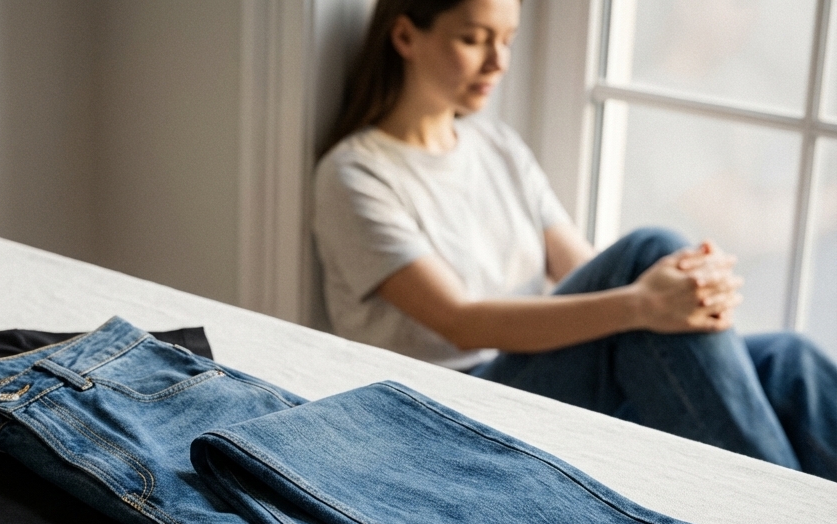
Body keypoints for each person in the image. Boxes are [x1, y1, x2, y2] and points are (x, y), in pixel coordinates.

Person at [312, 0, 837, 481]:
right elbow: (461, 321)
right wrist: (642, 301)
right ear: (405, 36)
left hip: (527, 373)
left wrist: (682, 290)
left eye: (508, 40)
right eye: (474, 39)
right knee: (648, 252)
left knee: (788, 360)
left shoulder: (495, 144)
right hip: (441, 409)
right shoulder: (355, 173)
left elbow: (585, 269)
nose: (498, 62)